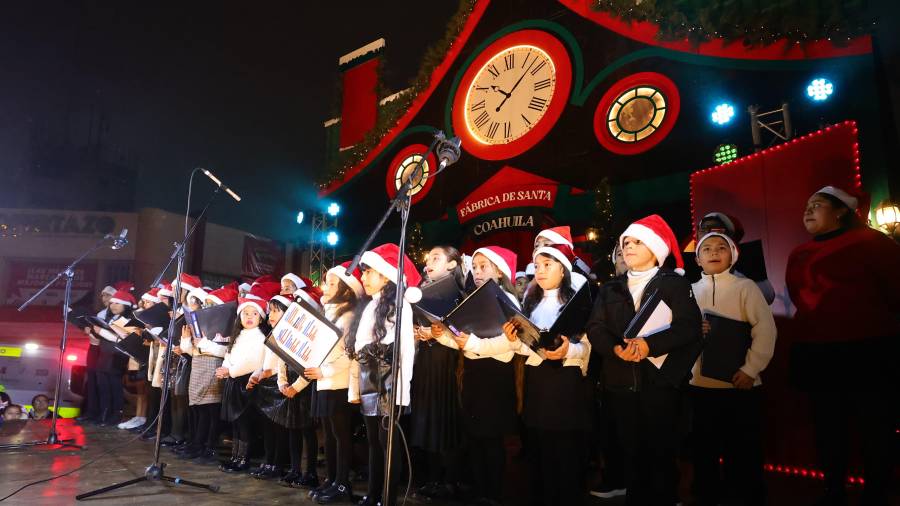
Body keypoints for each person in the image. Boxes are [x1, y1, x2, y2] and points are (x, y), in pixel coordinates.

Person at [786, 185, 900, 506]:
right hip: (820, 353)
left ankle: (876, 490)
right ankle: (833, 489)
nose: (808, 210)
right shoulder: (799, 253)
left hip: (868, 350)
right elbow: (798, 296)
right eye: (807, 204)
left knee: (874, 424)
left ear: (840, 211)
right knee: (827, 425)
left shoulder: (872, 243)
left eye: (817, 204)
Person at [587, 215, 703, 506]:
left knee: (661, 450)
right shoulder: (609, 288)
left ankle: (666, 497)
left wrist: (649, 345)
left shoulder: (673, 284)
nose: (629, 247)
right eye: (626, 242)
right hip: (620, 382)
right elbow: (595, 328)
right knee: (631, 450)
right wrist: (615, 349)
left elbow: (688, 327)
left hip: (659, 383)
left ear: (656, 249)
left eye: (638, 241)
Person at [429, 246, 521, 506]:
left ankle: (493, 493)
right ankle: (479, 490)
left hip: (496, 375)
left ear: (500, 272)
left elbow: (511, 343)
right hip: (472, 374)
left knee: (492, 439)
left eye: (485, 267)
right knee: (475, 437)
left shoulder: (507, 300)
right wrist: (443, 336)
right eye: (476, 267)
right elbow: (461, 339)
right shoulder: (471, 298)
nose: (477, 272)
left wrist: (472, 345)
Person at [690, 232, 776, 506]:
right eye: (707, 249)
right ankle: (707, 495)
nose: (714, 252)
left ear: (733, 255)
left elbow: (765, 330)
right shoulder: (689, 291)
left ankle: (746, 496)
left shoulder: (746, 287)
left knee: (743, 450)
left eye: (721, 248)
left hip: (740, 384)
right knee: (704, 449)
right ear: (698, 258)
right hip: (700, 386)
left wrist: (751, 369)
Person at [505, 243, 592, 506]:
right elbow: (525, 345)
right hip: (537, 384)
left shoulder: (578, 302)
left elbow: (588, 346)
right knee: (538, 451)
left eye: (548, 264)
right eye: (538, 265)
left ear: (564, 270)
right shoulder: (529, 303)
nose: (540, 271)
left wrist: (569, 350)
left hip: (565, 386)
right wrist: (513, 339)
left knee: (564, 455)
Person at [348, 243, 419, 506]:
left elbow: (405, 353)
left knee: (388, 444)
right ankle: (373, 493)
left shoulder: (401, 306)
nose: (363, 277)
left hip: (390, 386)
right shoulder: (369, 306)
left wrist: (402, 391)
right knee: (373, 443)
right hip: (369, 382)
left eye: (368, 272)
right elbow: (359, 349)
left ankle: (387, 498)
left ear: (385, 275)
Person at [307, 262, 366, 503]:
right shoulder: (328, 312)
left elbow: (349, 353)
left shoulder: (350, 315)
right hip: (324, 381)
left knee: (341, 436)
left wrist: (325, 371)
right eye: (327, 282)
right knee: (329, 436)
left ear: (346, 288)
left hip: (339, 382)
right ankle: (331, 480)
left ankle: (343, 483)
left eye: (333, 283)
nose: (326, 286)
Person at [410, 246, 465, 500]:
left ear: (452, 265)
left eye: (436, 258)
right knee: (427, 418)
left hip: (447, 363)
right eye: (428, 258)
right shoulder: (420, 292)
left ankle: (450, 479)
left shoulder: (458, 294)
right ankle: (431, 478)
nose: (428, 262)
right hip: (426, 361)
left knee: (444, 418)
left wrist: (437, 332)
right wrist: (416, 333)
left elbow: (462, 329)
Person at [175, 286, 237, 465]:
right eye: (206, 303)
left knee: (211, 410)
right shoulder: (202, 322)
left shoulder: (229, 324)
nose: (207, 307)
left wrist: (204, 343)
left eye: (211, 304)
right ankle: (197, 443)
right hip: (199, 365)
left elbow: (225, 350)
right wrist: (187, 341)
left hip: (214, 365)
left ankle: (209, 447)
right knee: (200, 409)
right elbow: (193, 350)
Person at [217, 295, 270, 473]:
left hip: (246, 383)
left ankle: (243, 459)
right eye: (245, 313)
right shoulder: (238, 335)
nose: (249, 317)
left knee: (244, 423)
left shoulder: (259, 336)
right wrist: (224, 368)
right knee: (236, 423)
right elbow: (228, 354)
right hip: (233, 381)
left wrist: (229, 371)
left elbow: (252, 361)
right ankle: (235, 456)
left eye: (254, 313)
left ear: (261, 317)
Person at [92, 289, 136, 426]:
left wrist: (102, 332)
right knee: (103, 386)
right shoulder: (110, 318)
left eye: (118, 303)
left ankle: (116, 414)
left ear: (125, 305)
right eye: (112, 303)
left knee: (114, 386)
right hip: (104, 355)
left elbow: (121, 338)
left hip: (117, 356)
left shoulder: (129, 320)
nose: (113, 306)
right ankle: (104, 412)